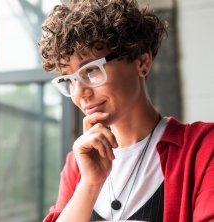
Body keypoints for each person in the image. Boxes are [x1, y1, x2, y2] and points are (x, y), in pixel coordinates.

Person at [38, 0, 214, 221]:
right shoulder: (78, 163)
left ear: (142, 61)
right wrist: (90, 185)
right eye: (69, 80)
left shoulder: (202, 149)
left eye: (91, 70)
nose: (79, 93)